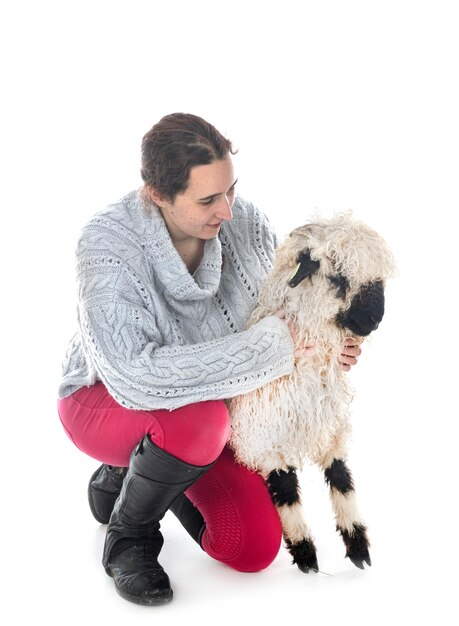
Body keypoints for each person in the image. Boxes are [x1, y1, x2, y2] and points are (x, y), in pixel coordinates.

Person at [57, 113, 362, 606]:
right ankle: (129, 536)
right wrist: (277, 347)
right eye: (206, 200)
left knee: (252, 549)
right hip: (104, 400)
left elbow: (279, 318)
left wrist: (325, 345)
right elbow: (136, 376)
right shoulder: (106, 243)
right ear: (157, 194)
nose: (227, 211)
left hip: (210, 410)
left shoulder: (247, 223)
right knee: (199, 421)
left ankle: (139, 473)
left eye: (231, 190)